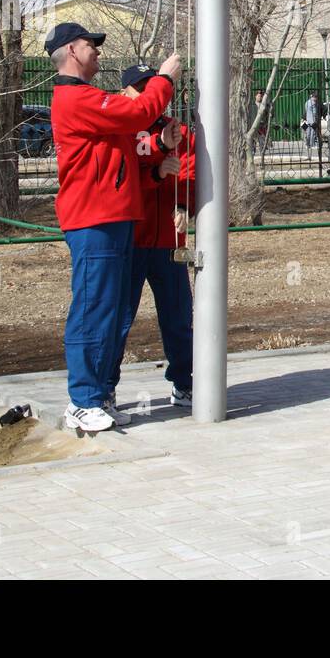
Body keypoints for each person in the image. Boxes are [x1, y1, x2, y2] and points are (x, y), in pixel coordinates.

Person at [48, 22, 180, 432]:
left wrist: (159, 149)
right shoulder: (76, 98)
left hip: (114, 216)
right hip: (95, 218)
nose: (98, 51)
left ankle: (99, 395)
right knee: (93, 308)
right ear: (72, 50)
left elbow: (127, 144)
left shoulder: (88, 99)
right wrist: (163, 79)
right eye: (92, 44)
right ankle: (82, 400)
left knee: (109, 310)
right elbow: (139, 112)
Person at [112, 64, 196, 409]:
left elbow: (190, 170)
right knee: (118, 319)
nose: (151, 95)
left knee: (178, 317)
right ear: (125, 94)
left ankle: (184, 382)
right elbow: (126, 172)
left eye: (154, 87)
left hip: (168, 241)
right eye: (141, 88)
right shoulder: (119, 130)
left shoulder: (177, 130)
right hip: (128, 239)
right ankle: (105, 387)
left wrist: (183, 204)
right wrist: (159, 166)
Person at [302, 90, 319, 155]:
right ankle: (311, 145)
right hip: (312, 120)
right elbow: (314, 113)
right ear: (311, 96)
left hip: (308, 120)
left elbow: (306, 111)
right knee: (312, 133)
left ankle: (308, 144)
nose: (315, 98)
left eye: (316, 97)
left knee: (309, 133)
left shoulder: (307, 102)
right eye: (314, 97)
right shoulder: (313, 103)